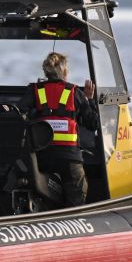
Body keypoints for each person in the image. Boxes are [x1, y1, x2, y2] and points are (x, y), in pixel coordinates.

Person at [18, 52, 98, 207]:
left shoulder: (35, 90)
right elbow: (92, 123)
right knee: (77, 195)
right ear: (65, 72)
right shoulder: (75, 92)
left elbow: (20, 113)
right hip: (69, 157)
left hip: (42, 156)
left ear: (46, 72)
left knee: (40, 194)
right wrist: (89, 100)